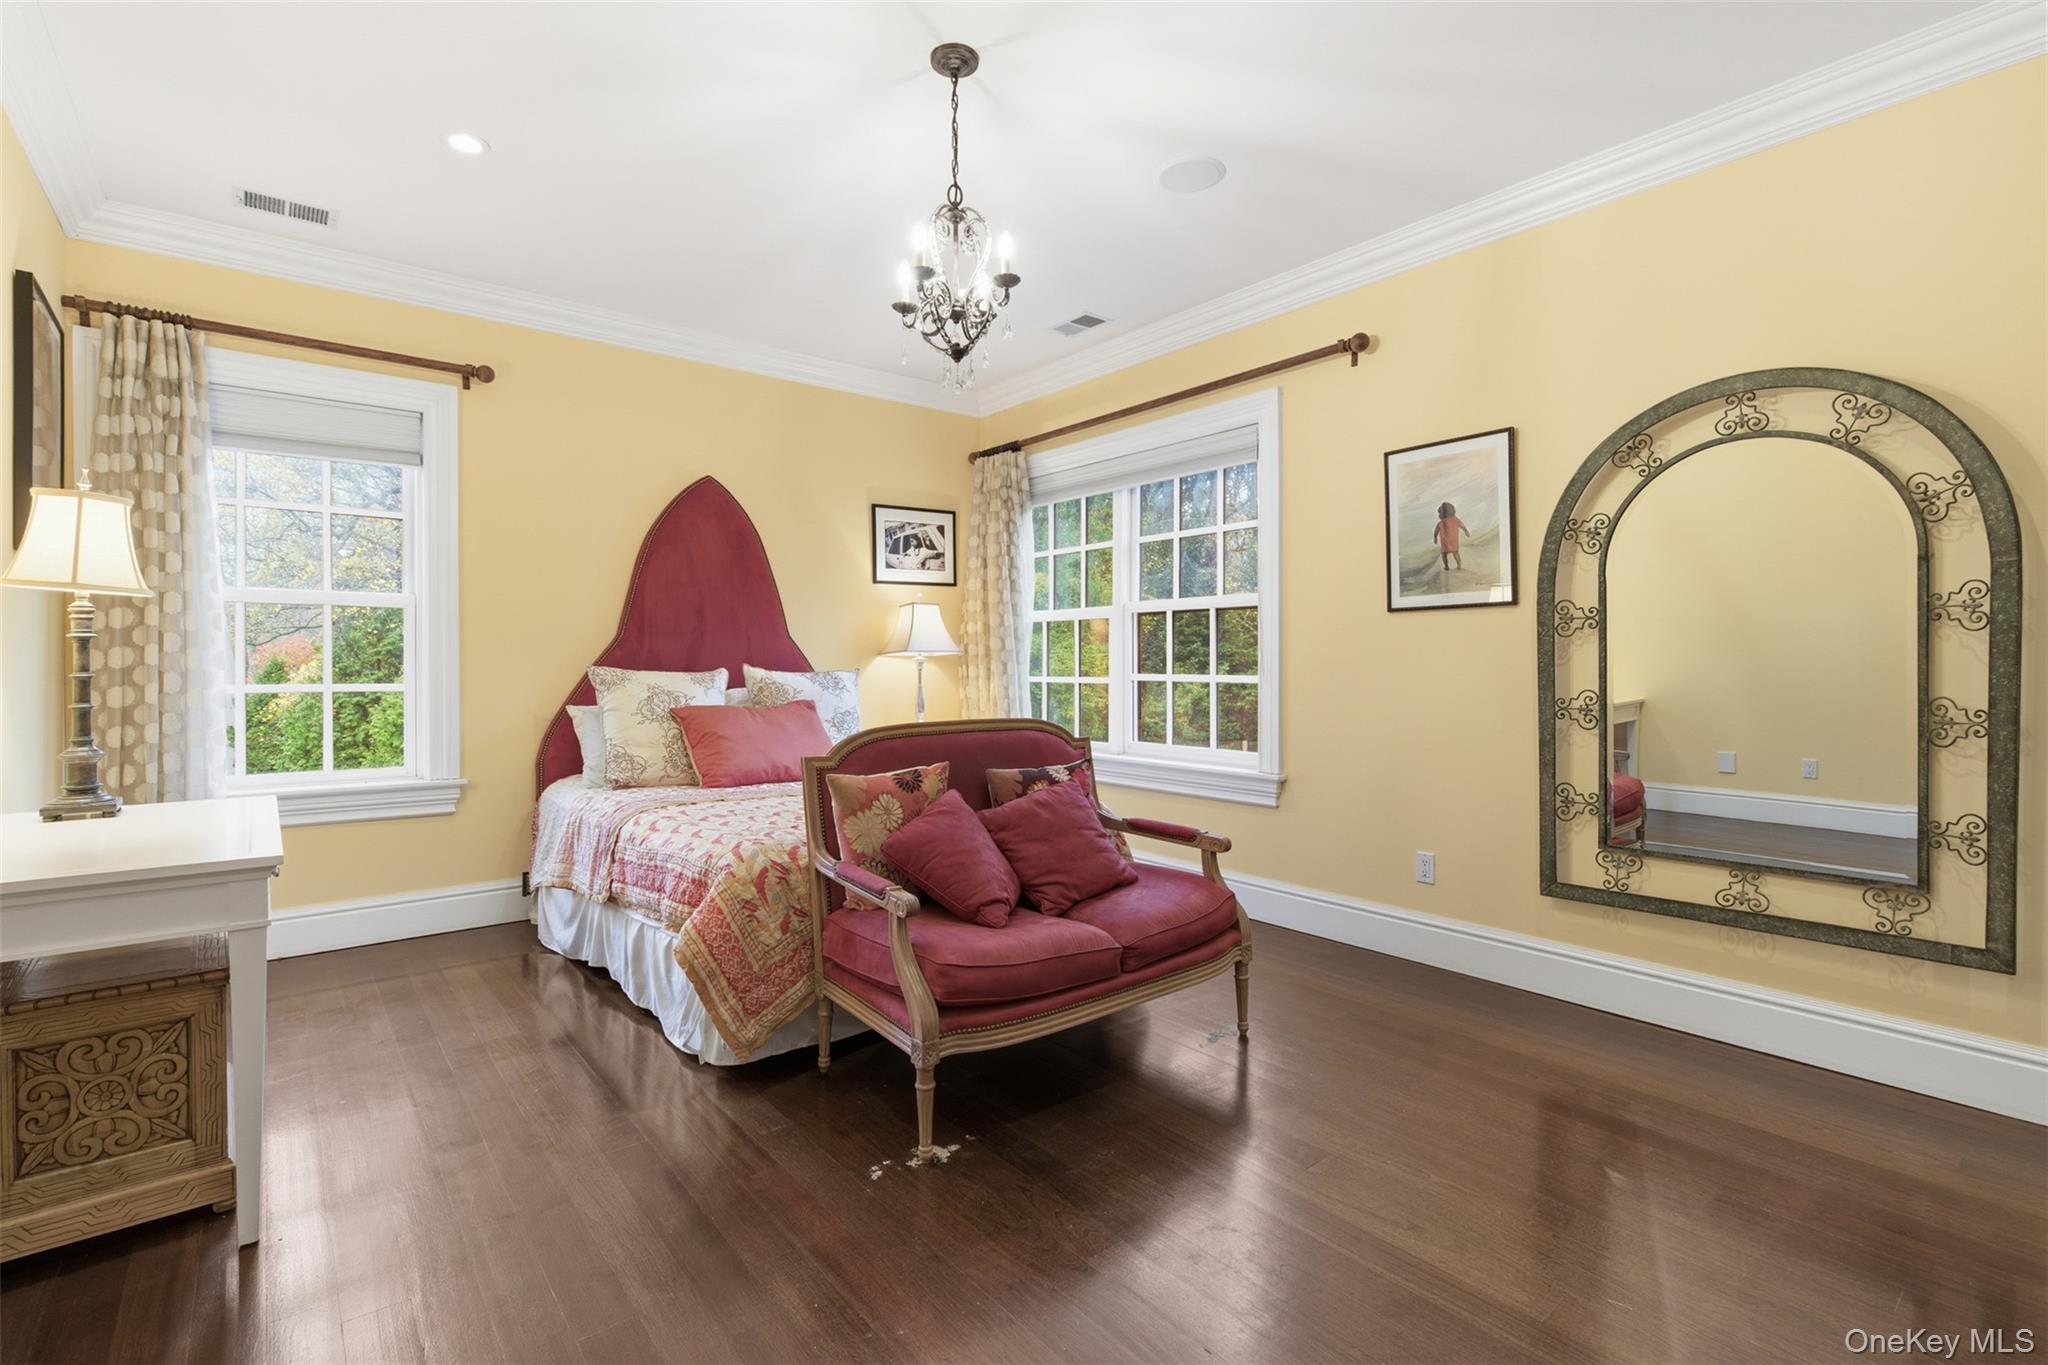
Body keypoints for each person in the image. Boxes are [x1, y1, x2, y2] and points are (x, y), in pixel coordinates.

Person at [1434, 501, 1470, 573]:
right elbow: (1462, 526)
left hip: (1445, 542)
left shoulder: (1441, 522)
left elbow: (1436, 531)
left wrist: (1435, 538)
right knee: (1455, 553)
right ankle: (1459, 566)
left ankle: (1447, 567)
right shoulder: (1455, 520)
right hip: (1453, 540)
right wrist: (1466, 531)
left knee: (1444, 555)